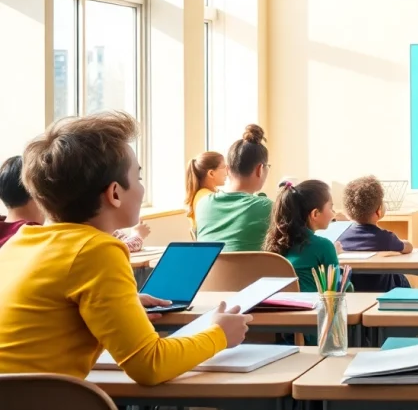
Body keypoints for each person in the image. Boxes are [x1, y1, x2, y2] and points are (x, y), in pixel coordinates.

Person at [0, 112, 251, 384]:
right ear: (115, 193)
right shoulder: (97, 250)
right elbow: (150, 365)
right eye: (139, 177)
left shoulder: (20, 242)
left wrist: (121, 304)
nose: (142, 188)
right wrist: (219, 334)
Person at [0, 155, 150, 252]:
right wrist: (137, 236)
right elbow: (109, 251)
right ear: (40, 193)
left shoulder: (9, 232)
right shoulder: (36, 239)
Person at [196, 125, 272, 252]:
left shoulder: (203, 204)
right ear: (260, 169)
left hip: (210, 272)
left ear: (227, 169)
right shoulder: (268, 207)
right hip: (254, 272)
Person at [263, 179, 339, 293]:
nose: (334, 213)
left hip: (279, 307)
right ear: (315, 214)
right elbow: (338, 289)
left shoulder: (272, 244)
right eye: (331, 207)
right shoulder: (324, 246)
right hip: (312, 309)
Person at [338, 175, 412, 292]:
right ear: (379, 211)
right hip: (383, 292)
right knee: (398, 276)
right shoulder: (386, 238)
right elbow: (408, 247)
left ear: (347, 213)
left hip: (353, 293)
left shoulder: (340, 237)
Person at [184, 151, 227, 233]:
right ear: (211, 173)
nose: (227, 172)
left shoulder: (203, 194)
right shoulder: (208, 198)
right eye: (224, 167)